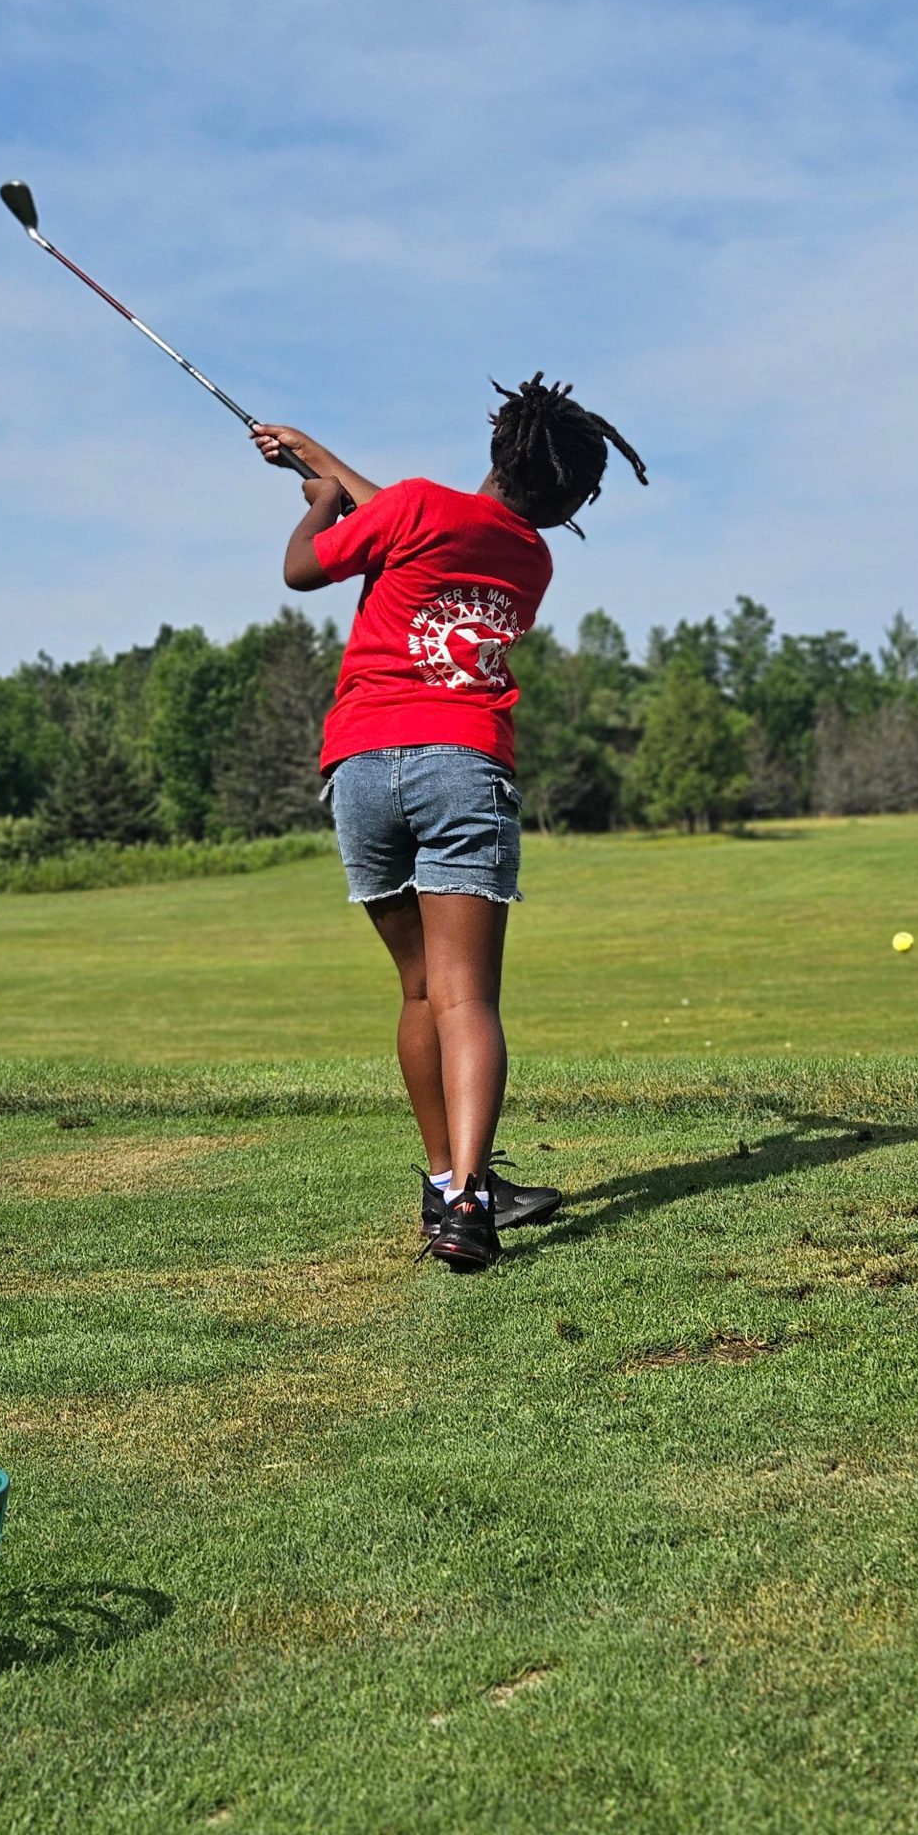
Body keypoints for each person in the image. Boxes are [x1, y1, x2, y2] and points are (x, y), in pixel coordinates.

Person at [252, 376, 648, 1270]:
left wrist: (319, 501)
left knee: (421, 991)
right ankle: (472, 1203)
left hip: (360, 768)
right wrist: (321, 460)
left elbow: (306, 567)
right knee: (467, 998)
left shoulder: (417, 507)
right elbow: (418, 517)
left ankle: (447, 1187)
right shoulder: (533, 561)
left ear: (500, 447)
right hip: (462, 766)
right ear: (567, 501)